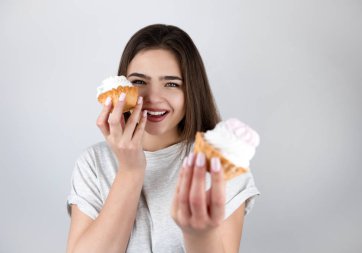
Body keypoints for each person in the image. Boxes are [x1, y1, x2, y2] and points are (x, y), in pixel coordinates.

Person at [66, 24, 260, 253]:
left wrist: (198, 234)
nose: (153, 98)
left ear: (192, 91)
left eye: (171, 84)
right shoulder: (94, 163)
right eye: (139, 82)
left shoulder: (221, 163)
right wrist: (130, 170)